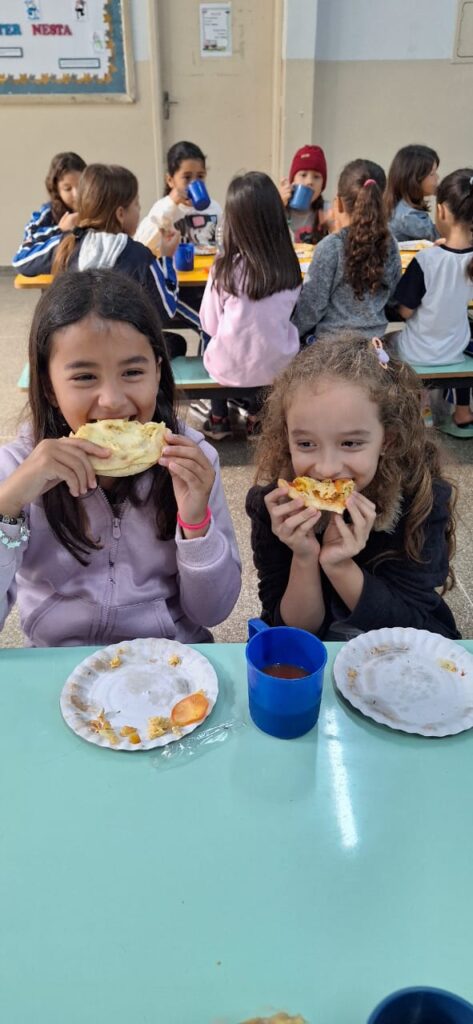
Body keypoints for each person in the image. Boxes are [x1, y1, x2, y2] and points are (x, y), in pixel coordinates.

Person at [0, 270, 241, 648]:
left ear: (158, 372)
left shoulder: (193, 460)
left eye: (132, 372)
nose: (111, 400)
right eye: (84, 377)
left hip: (170, 655)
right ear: (48, 385)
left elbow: (213, 613)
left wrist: (195, 524)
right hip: (60, 662)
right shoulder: (16, 468)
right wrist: (8, 506)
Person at [245, 335, 459, 641]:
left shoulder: (421, 500)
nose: (327, 468)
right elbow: (291, 634)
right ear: (287, 439)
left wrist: (340, 566)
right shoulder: (273, 508)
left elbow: (415, 630)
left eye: (350, 443)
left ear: (388, 440)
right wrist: (304, 556)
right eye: (306, 443)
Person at [199, 171, 302, 440]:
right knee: (265, 338)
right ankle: (257, 418)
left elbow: (208, 324)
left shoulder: (223, 269)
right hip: (279, 365)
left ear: (233, 221)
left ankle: (219, 418)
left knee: (211, 337)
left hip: (231, 369)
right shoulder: (290, 267)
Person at [50, 163, 184, 360]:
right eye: (136, 204)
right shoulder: (139, 255)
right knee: (176, 342)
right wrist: (166, 258)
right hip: (123, 355)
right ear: (121, 214)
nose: (139, 210)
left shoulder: (68, 248)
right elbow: (166, 311)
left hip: (77, 352)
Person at [392, 168, 473, 436]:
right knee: (463, 330)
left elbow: (404, 311)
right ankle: (462, 413)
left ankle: (418, 408)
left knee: (390, 339)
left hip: (419, 354)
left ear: (441, 211)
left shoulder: (426, 261)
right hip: (454, 351)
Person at [293, 159, 401, 342]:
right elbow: (393, 300)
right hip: (374, 348)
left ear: (338, 204)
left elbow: (311, 309)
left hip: (330, 352)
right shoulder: (389, 244)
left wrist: (290, 332)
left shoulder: (330, 247)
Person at [135, 141, 223, 337]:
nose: (195, 183)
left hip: (207, 282)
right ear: (170, 181)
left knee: (218, 319)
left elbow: (223, 240)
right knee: (210, 324)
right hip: (178, 288)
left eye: (200, 177)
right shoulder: (163, 209)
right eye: (187, 177)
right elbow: (142, 243)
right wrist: (171, 204)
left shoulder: (214, 209)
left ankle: (208, 355)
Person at [12, 151, 86, 274]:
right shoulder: (47, 213)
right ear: (56, 189)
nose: (76, 194)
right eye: (67, 189)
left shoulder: (98, 209)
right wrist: (60, 230)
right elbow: (22, 257)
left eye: (81, 186)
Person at [385, 144, 440, 242]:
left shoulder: (401, 207)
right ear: (414, 179)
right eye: (432, 174)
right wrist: (448, 197)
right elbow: (444, 240)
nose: (437, 177)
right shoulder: (408, 216)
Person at [278, 144, 329, 245]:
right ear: (293, 180)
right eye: (303, 175)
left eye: (316, 177)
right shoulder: (281, 206)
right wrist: (278, 204)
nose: (309, 181)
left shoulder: (327, 210)